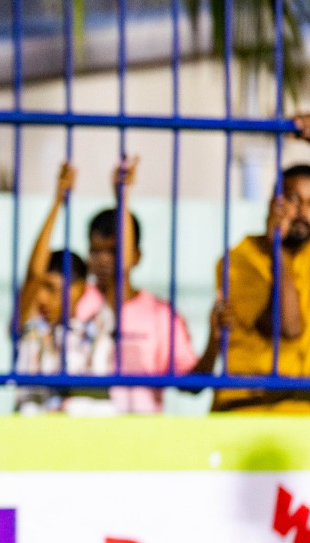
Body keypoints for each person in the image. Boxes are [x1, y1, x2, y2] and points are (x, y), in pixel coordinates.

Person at [74, 156, 223, 413]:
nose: (103, 260)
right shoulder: (75, 300)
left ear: (137, 256)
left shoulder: (160, 315)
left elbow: (192, 384)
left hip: (140, 440)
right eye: (96, 251)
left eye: (113, 250)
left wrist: (214, 340)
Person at [212, 163, 310, 412]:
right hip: (248, 409)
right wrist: (276, 246)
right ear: (273, 205)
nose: (302, 212)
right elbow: (288, 326)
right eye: (293, 200)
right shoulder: (239, 260)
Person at [13, 161, 103, 414]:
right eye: (41, 288)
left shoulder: (94, 329)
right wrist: (56, 203)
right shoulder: (29, 328)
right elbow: (33, 275)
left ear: (79, 290)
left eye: (52, 289)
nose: (41, 296)